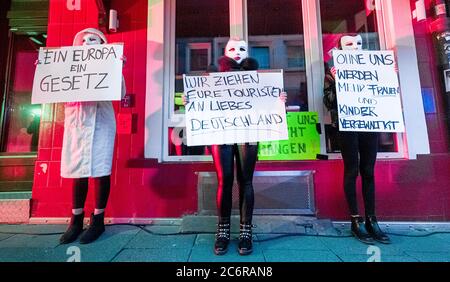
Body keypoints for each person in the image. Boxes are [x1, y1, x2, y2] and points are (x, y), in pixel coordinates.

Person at [184, 38, 287, 255]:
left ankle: (245, 232)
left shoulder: (257, 77)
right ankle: (222, 232)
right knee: (225, 181)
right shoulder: (212, 76)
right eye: (232, 49)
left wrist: (278, 100)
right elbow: (202, 103)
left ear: (247, 52)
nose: (237, 52)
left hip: (248, 133)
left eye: (242, 49)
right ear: (225, 52)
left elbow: (266, 104)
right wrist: (189, 100)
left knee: (246, 182)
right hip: (219, 133)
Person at [59, 28, 126, 244]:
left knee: (100, 169)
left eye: (93, 39)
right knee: (78, 170)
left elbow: (121, 93)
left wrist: (118, 69)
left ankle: (98, 220)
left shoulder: (111, 65)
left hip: (102, 123)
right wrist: (48, 72)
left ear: (102, 44)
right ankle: (76, 219)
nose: (88, 42)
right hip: (77, 121)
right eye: (84, 39)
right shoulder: (69, 67)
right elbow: (56, 88)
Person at [323, 34, 391, 244]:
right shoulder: (331, 72)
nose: (355, 47)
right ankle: (355, 220)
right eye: (349, 44)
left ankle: (372, 219)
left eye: (359, 43)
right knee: (352, 170)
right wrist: (335, 81)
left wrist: (389, 76)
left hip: (369, 124)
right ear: (341, 49)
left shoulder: (373, 68)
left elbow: (384, 94)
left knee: (368, 171)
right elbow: (328, 102)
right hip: (347, 126)